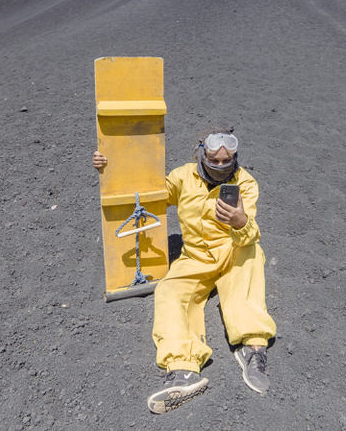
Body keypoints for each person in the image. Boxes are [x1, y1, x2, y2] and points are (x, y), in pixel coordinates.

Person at [93, 131, 276, 414]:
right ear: (201, 155)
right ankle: (183, 369)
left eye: (227, 160)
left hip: (233, 249)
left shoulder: (246, 184)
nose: (221, 165)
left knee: (251, 259)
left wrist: (240, 222)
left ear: (235, 159)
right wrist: (111, 166)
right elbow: (146, 193)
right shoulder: (182, 177)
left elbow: (248, 233)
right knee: (169, 291)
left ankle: (253, 348)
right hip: (195, 257)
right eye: (214, 160)